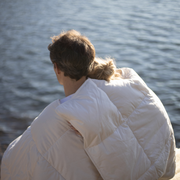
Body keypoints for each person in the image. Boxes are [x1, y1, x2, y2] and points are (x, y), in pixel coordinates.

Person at [1, 30, 176, 180]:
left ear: (57, 68)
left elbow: (13, 163)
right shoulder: (127, 83)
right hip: (161, 169)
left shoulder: (57, 117)